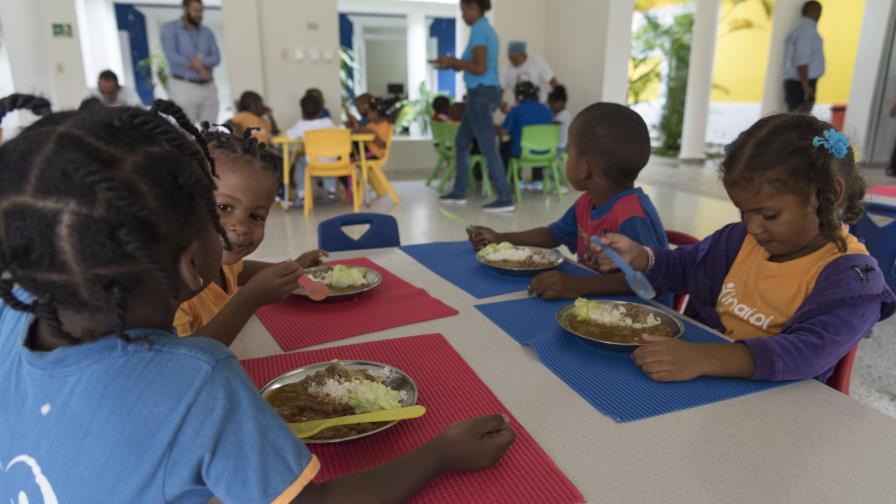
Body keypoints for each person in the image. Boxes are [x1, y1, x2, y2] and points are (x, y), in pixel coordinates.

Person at [0, 93, 515, 503]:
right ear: (190, 260)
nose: (233, 230)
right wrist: (438, 456)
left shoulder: (17, 309)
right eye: (213, 209)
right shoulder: (198, 378)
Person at [590, 114, 895, 383]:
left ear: (828, 195)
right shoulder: (739, 240)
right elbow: (687, 266)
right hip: (707, 380)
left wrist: (703, 358)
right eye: (743, 212)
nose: (752, 227)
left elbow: (808, 352)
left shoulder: (854, 279)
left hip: (778, 406)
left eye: (769, 215)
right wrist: (640, 256)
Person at [469, 102, 668, 301]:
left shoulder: (633, 215)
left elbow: (649, 280)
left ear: (584, 168)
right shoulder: (587, 203)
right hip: (600, 302)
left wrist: (576, 285)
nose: (565, 157)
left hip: (641, 314)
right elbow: (552, 235)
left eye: (569, 151)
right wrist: (500, 237)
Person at [174, 125, 325, 345]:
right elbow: (185, 360)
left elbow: (241, 270)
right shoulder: (172, 286)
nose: (241, 227)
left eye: (256, 216)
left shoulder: (219, 256)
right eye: (224, 207)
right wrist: (248, 299)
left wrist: (292, 268)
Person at [436, 0, 515, 212]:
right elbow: (475, 66)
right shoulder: (484, 30)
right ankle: (459, 191)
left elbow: (479, 68)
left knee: (488, 146)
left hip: (481, 92)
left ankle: (506, 197)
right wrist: (453, 64)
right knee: (461, 141)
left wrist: (454, 61)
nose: (463, 16)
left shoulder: (480, 30)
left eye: (463, 11)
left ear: (473, 7)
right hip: (480, 92)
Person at [161, 0, 221, 124]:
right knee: (184, 129)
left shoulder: (207, 32)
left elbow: (216, 58)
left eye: (201, 11)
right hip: (183, 85)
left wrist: (201, 62)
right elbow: (172, 56)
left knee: (211, 129)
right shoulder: (170, 29)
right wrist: (201, 68)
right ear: (184, 8)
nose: (200, 14)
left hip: (208, 85)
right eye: (196, 11)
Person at [499, 81, 552, 192]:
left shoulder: (515, 111)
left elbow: (504, 131)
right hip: (545, 151)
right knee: (537, 144)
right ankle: (538, 180)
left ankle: (516, 180)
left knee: (504, 148)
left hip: (522, 151)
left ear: (519, 96)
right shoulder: (546, 110)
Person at [287, 94, 339, 203]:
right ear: (321, 110)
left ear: (302, 111)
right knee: (328, 161)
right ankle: (331, 190)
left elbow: (289, 135)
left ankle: (301, 194)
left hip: (313, 161)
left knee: (300, 163)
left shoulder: (301, 125)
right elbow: (337, 132)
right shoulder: (328, 122)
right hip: (332, 161)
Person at [783, 1, 824, 113]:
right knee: (800, 121)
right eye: (819, 11)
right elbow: (802, 60)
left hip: (799, 82)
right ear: (814, 12)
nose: (820, 15)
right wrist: (805, 86)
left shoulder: (800, 28)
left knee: (796, 119)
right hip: (802, 83)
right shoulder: (807, 30)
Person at [500, 40, 557, 112]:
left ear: (523, 54)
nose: (512, 62)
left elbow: (553, 81)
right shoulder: (507, 68)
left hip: (541, 107)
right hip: (519, 110)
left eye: (514, 59)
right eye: (510, 59)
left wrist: (556, 100)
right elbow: (499, 90)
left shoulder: (537, 61)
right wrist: (500, 103)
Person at [549, 85, 571, 157]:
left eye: (552, 104)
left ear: (561, 102)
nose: (551, 107)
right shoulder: (562, 114)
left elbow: (551, 126)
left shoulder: (563, 115)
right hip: (561, 145)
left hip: (561, 147)